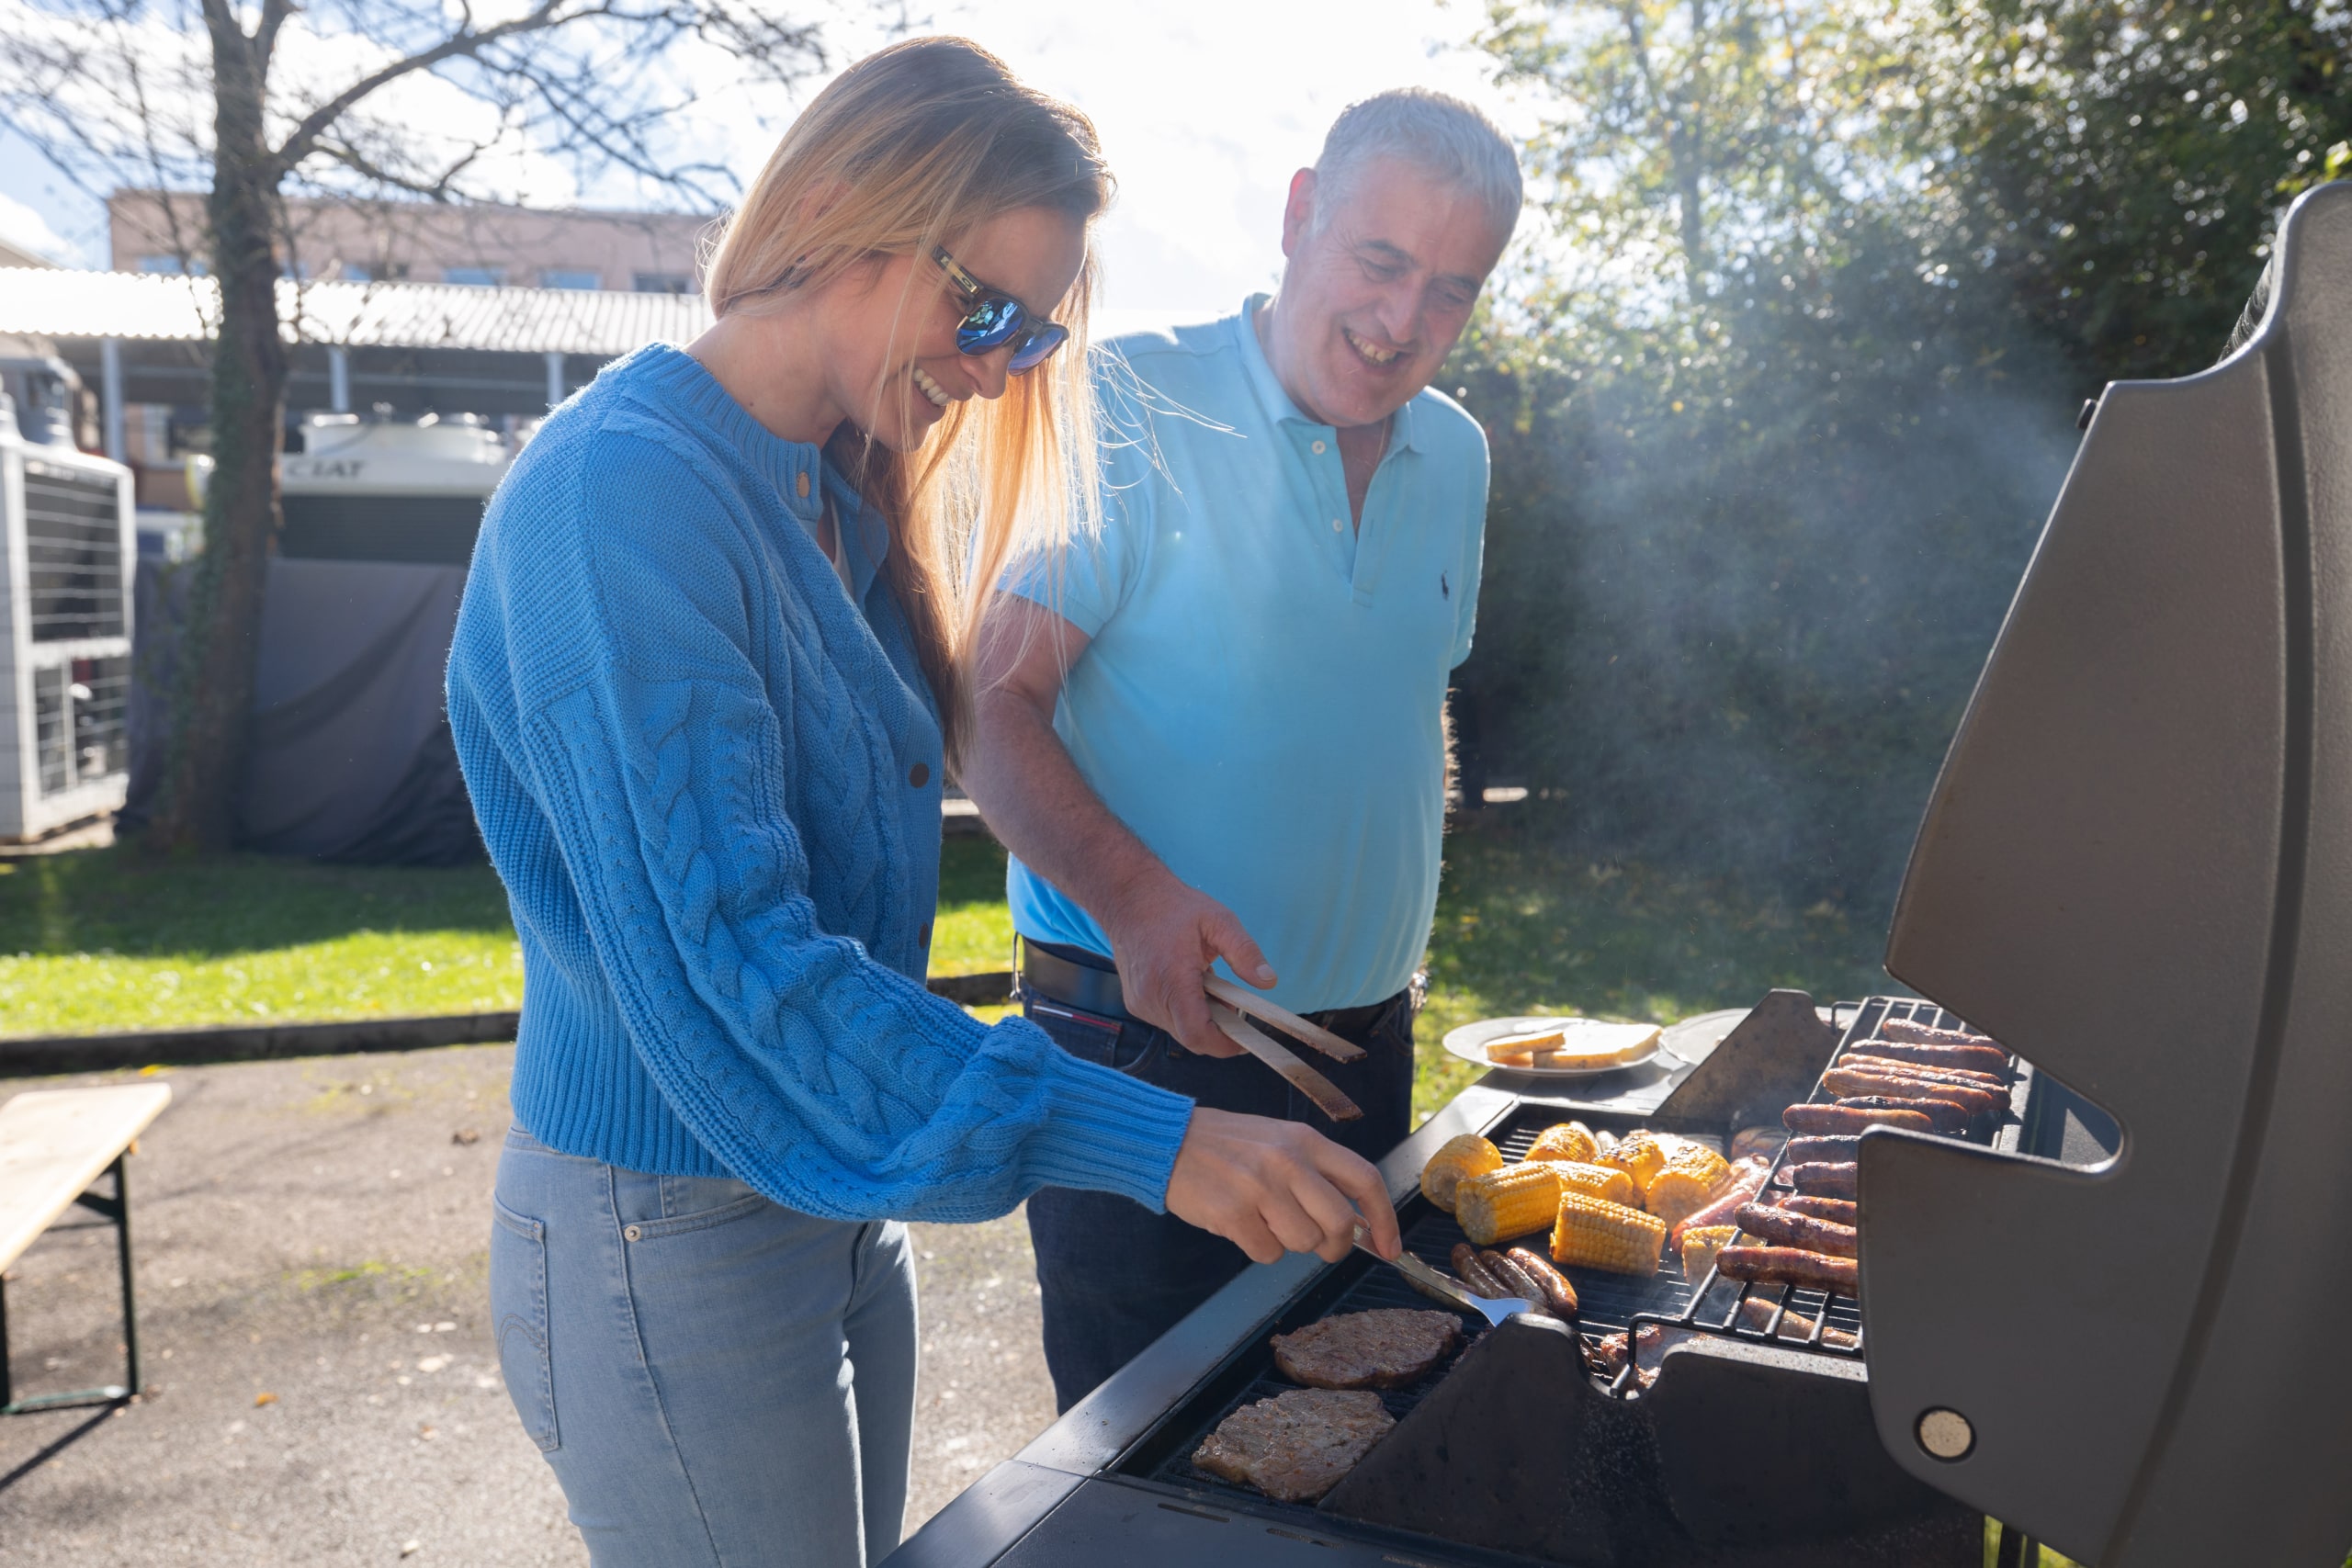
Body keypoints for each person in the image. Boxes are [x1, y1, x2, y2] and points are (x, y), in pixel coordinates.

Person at [445, 38, 1399, 1568]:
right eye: (985, 308)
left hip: (810, 1189)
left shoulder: (825, 476)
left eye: (1029, 335)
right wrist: (1153, 1141)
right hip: (663, 1223)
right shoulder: (619, 499)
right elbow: (736, 962)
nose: (997, 365)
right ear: (837, 207)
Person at [961, 89, 1523, 1411]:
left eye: (1452, 291)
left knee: (1342, 1435)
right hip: (1136, 1040)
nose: (1401, 325)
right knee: (1149, 1456)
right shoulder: (1128, 399)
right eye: (1379, 263)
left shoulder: (1456, 455)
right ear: (1297, 216)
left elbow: (1395, 698)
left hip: (1361, 1053)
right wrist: (1141, 902)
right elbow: (986, 707)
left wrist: (1383, 921)